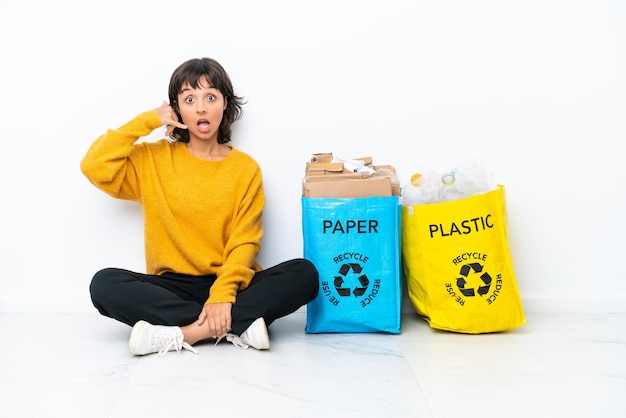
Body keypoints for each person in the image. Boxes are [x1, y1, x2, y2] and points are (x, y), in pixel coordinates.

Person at [80, 57, 319, 356]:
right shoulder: (153, 160)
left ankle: (184, 334)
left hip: (230, 283)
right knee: (104, 284)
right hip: (171, 286)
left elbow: (246, 241)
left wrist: (222, 294)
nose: (201, 107)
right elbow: (94, 166)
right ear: (176, 109)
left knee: (305, 273)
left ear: (225, 105)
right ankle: (237, 325)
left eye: (210, 97)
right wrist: (148, 120)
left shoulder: (245, 169)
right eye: (189, 99)